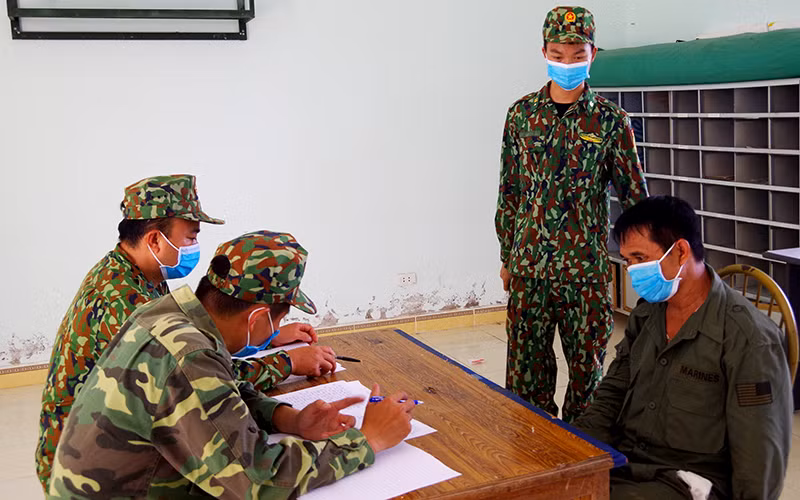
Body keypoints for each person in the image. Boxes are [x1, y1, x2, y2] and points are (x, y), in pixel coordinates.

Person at [47, 231, 415, 498]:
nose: (278, 329)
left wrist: (287, 418)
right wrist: (367, 440)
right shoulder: (187, 353)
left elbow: (221, 390)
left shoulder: (173, 315)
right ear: (257, 318)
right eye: (279, 319)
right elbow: (257, 483)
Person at [36, 175, 334, 491]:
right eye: (191, 237)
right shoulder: (123, 300)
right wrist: (287, 363)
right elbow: (199, 376)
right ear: (154, 240)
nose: (194, 247)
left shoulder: (135, 274)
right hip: (90, 469)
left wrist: (269, 334)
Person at [574, 196, 792, 499]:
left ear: (680, 251)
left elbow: (759, 457)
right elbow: (613, 392)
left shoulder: (748, 339)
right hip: (628, 466)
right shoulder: (647, 315)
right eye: (627, 260)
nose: (631, 270)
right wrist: (572, 450)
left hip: (692, 483)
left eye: (639, 258)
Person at [495, 6, 648, 422]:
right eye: (558, 55)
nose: (567, 64)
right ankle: (531, 452)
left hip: (585, 273)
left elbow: (635, 199)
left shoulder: (611, 121)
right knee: (526, 385)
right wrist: (508, 257)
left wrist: (644, 264)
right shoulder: (521, 115)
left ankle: (582, 457)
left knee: (588, 385)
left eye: (578, 55)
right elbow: (510, 192)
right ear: (544, 52)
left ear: (592, 54)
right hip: (529, 270)